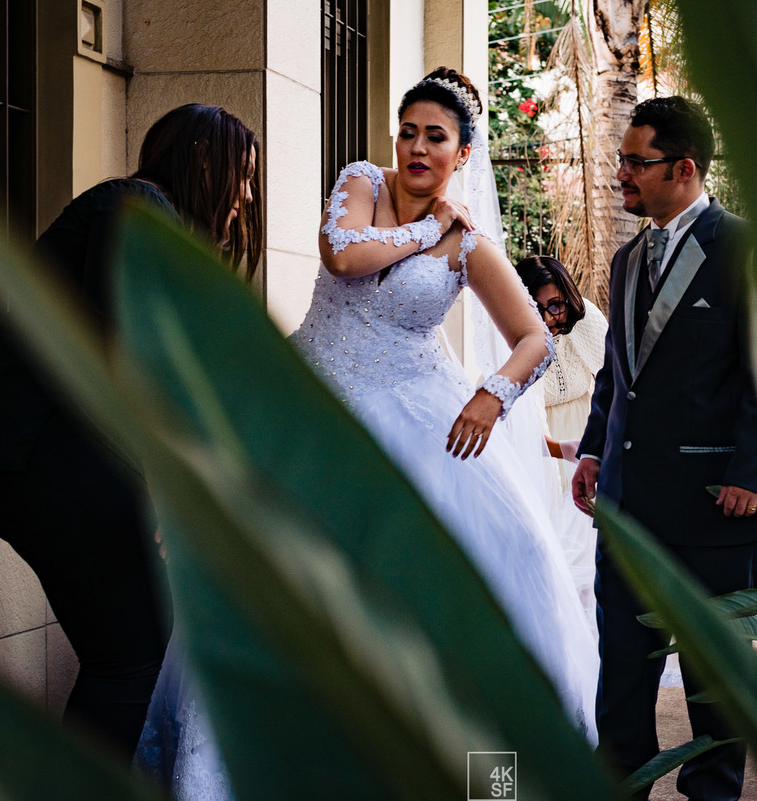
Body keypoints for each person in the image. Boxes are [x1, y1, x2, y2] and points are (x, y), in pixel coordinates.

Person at [132, 69, 598, 801]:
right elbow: (342, 254)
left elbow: (532, 338)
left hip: (420, 425)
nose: (416, 147)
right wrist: (428, 228)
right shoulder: (359, 182)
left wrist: (491, 395)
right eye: (407, 131)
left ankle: (486, 784)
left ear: (463, 153)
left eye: (435, 137)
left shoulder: (471, 244)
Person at [0, 104, 262, 758]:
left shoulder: (151, 217)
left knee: (140, 650)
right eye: (243, 175)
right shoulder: (136, 206)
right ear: (206, 162)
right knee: (129, 659)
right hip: (43, 457)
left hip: (53, 459)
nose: (245, 195)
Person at [572, 97, 757, 801]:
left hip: (712, 503)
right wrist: (595, 450)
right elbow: (618, 369)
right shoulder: (629, 258)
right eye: (621, 160)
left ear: (684, 168)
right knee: (622, 665)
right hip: (627, 503)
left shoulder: (745, 246)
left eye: (636, 162)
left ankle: (712, 791)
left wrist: (754, 471)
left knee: (714, 675)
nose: (620, 175)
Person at [514, 255, 607, 627]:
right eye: (538, 308)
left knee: (594, 552)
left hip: (590, 435)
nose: (550, 317)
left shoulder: (590, 321)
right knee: (559, 554)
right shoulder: (518, 334)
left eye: (556, 304)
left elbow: (613, 383)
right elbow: (522, 413)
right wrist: (556, 449)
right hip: (545, 445)